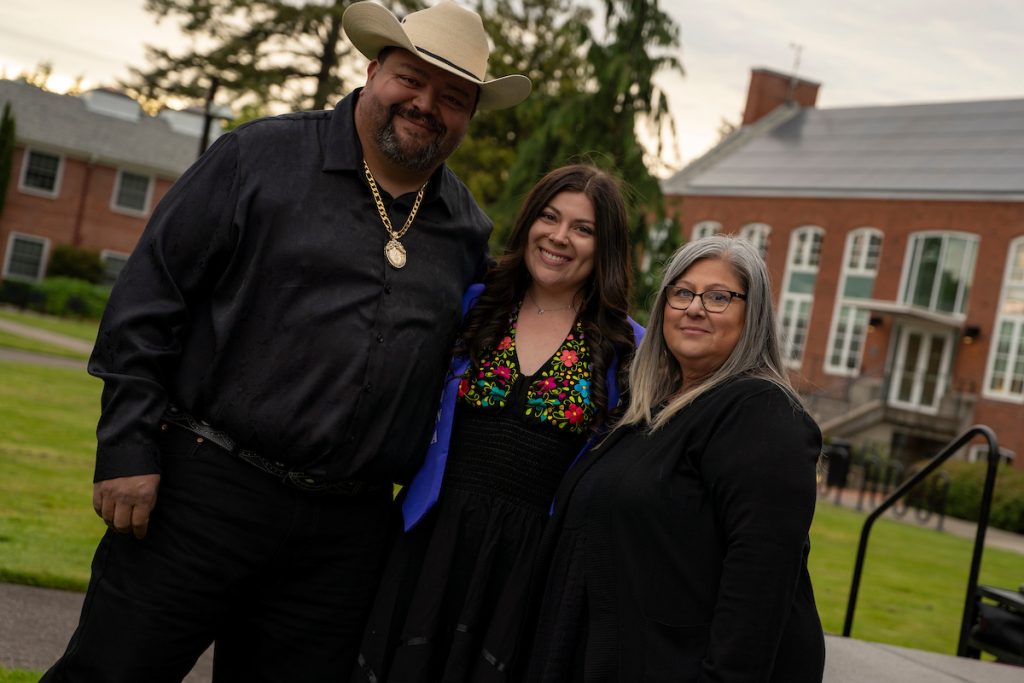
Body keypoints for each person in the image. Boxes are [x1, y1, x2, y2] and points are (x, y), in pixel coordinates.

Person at [42, 2, 531, 681]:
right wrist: (126, 445)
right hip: (202, 491)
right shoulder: (259, 157)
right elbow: (148, 301)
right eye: (410, 80)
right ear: (372, 70)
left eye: (452, 97)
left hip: (345, 537)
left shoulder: (466, 229)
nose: (425, 105)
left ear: (470, 117)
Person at [353, 165, 642, 682]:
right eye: (549, 218)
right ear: (528, 222)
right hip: (435, 540)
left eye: (583, 228)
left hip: (532, 567)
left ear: (607, 247)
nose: (559, 237)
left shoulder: (628, 348)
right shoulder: (473, 304)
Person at [527, 234, 826, 682]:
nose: (695, 307)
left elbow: (759, 586)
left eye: (719, 297)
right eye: (682, 292)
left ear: (754, 315)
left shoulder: (761, 414)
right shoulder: (650, 409)